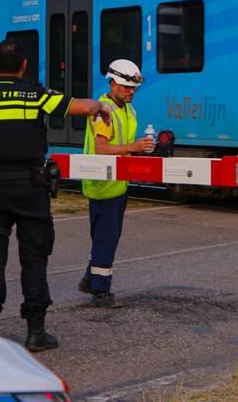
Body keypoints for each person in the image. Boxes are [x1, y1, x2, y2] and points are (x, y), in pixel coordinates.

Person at [0, 39, 113, 352]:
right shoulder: (34, 94)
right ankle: (36, 333)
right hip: (29, 189)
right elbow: (77, 107)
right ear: (24, 66)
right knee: (34, 258)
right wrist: (100, 105)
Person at [77, 59, 155, 308]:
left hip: (119, 183)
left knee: (107, 236)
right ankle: (100, 291)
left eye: (133, 88)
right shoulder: (103, 110)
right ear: (112, 83)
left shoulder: (128, 110)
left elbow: (122, 147)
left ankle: (91, 279)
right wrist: (133, 147)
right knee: (106, 238)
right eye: (125, 87)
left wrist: (139, 150)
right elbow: (101, 148)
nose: (131, 92)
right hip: (102, 183)